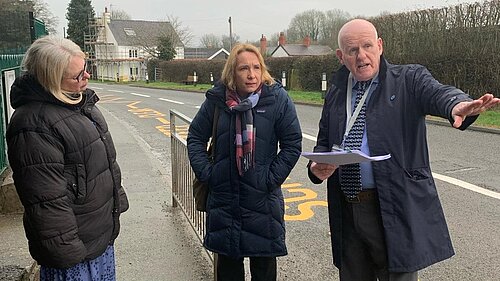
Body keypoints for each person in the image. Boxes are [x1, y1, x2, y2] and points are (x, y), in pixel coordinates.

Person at [307, 19, 500, 281]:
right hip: (348, 210)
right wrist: (316, 169)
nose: (361, 56)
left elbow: (438, 93)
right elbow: (324, 143)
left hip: (393, 206)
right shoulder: (336, 92)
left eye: (367, 46)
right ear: (341, 56)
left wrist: (458, 105)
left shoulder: (408, 79)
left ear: (380, 46)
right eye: (352, 50)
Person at [6, 35, 129, 280]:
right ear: (51, 81)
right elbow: (46, 200)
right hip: (74, 254)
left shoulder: (78, 102)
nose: (87, 77)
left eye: (86, 69)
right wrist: (69, 256)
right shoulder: (33, 124)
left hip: (96, 237)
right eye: (77, 76)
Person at [187, 43, 302, 281]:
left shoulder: (277, 99)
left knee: (264, 271)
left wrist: (270, 179)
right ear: (232, 72)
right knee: (227, 272)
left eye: (256, 67)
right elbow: (195, 137)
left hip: (262, 202)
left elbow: (292, 144)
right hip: (225, 202)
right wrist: (210, 174)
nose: (251, 74)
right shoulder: (217, 100)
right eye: (243, 69)